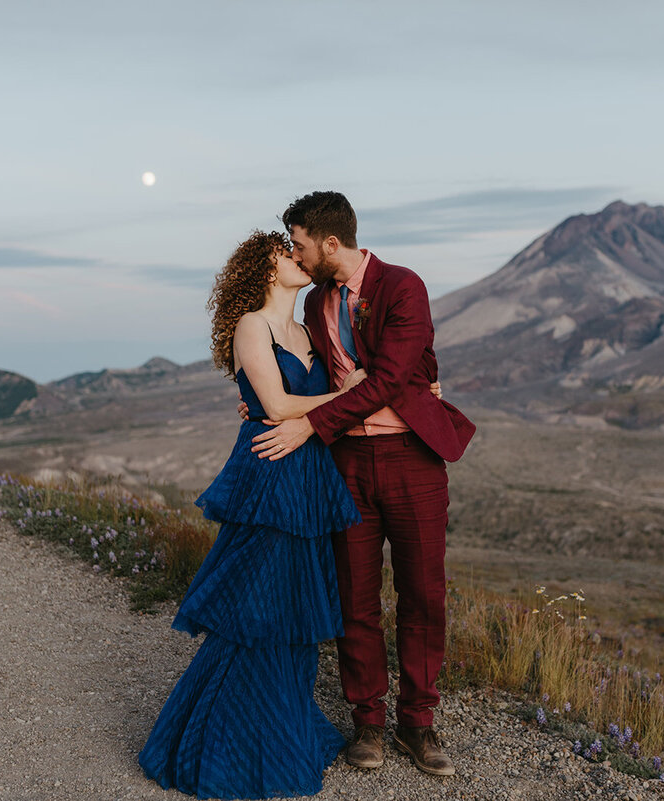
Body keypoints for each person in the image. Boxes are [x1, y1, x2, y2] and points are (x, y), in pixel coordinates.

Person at [250, 192, 475, 778]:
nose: (294, 254)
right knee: (355, 598)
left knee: (424, 595)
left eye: (299, 243)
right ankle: (368, 722)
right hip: (347, 463)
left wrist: (307, 427)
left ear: (330, 243)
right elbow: (314, 373)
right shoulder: (317, 303)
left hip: (411, 461)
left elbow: (390, 378)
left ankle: (418, 725)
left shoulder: (403, 286)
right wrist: (265, 408)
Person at [136, 230, 365, 798]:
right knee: (256, 607)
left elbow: (292, 402)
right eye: (286, 252)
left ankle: (280, 722)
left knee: (294, 607)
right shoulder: (252, 326)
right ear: (264, 270)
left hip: (308, 476)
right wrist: (348, 395)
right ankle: (224, 740)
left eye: (298, 249)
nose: (297, 257)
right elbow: (280, 406)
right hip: (270, 478)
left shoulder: (307, 329)